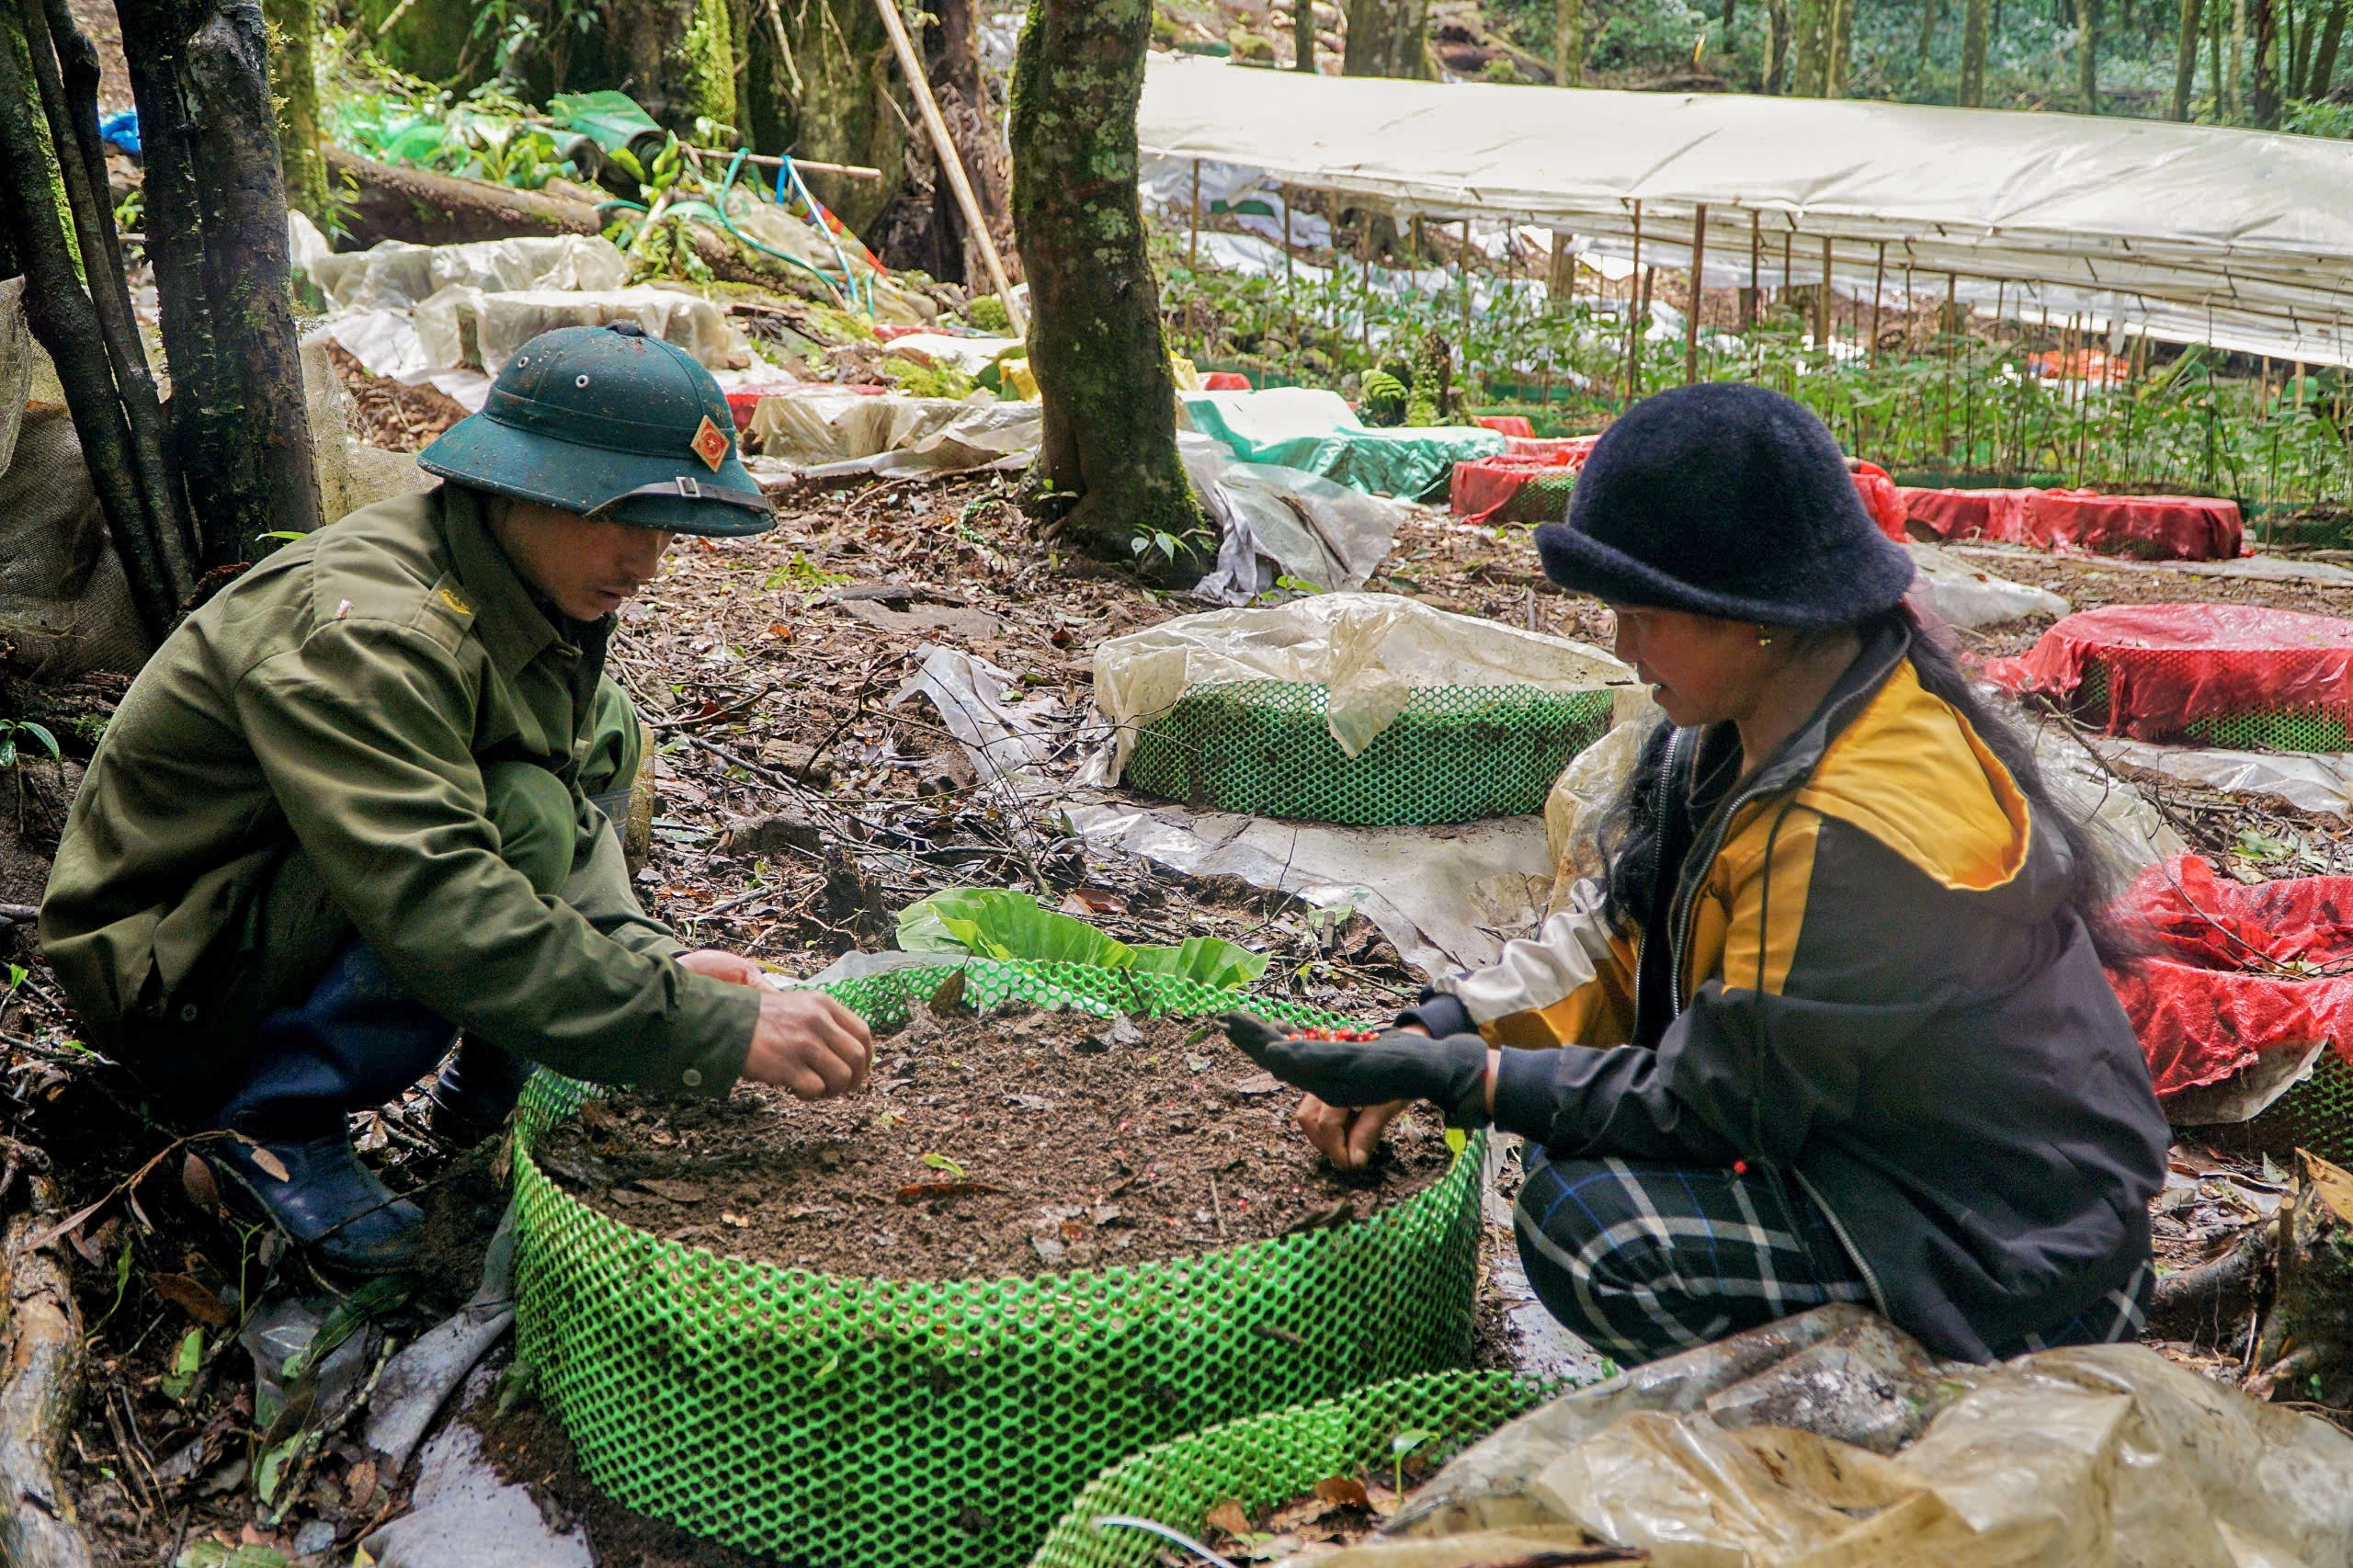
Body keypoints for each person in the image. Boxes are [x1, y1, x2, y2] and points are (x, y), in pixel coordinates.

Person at [1225, 382, 2169, 1367]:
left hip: (2009, 1246)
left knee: (1590, 1225)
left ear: (1756, 615)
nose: (1622, 650)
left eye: (1642, 615)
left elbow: (1717, 1102)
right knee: (1563, 1120)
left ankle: (1892, 1398)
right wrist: (1439, 1030)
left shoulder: (1860, 822)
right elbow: (1621, 943)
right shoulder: (1739, 730)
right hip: (1867, 1159)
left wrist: (1475, 1079)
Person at [40, 323, 871, 1274]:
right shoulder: (376, 634)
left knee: (566, 771)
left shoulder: (514, 583)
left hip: (271, 907)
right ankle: (270, 1130)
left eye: (666, 530)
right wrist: (706, 1027)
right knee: (510, 828)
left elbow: (561, 798)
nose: (647, 562)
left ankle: (491, 1088)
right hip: (168, 969)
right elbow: (439, 901)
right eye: (621, 518)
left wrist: (653, 959)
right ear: (525, 486)